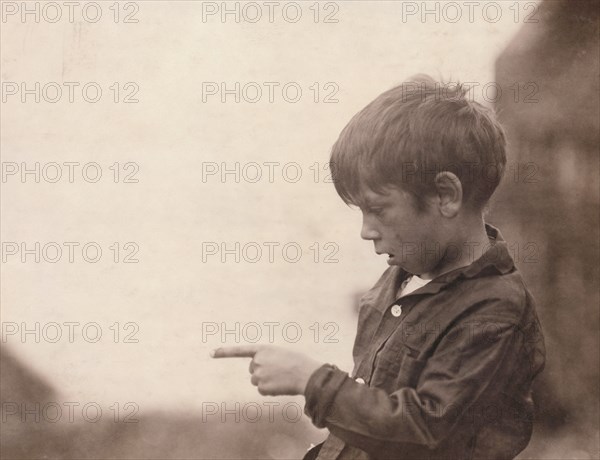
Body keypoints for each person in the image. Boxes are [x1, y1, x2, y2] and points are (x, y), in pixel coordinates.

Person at [211, 75, 546, 460]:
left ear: (446, 195)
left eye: (378, 209)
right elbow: (375, 413)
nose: (366, 231)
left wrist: (312, 381)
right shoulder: (402, 277)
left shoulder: (494, 311)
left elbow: (424, 433)